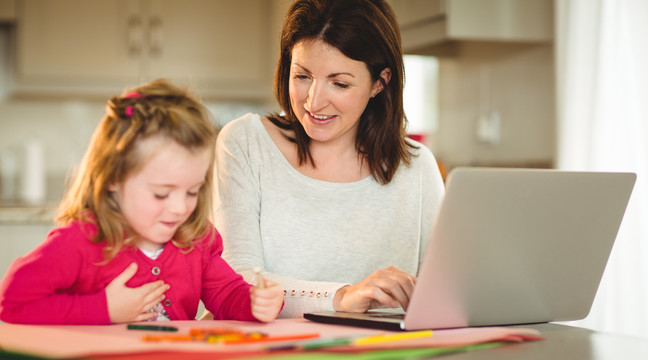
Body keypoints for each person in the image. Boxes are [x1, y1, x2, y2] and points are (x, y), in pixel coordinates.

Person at [210, 0, 445, 319]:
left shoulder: (417, 167)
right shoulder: (245, 143)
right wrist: (342, 297)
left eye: (340, 83)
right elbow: (238, 281)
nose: (314, 101)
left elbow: (445, 291)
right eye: (302, 76)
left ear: (380, 82)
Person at [0, 79, 284, 325]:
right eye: (162, 193)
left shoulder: (195, 239)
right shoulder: (80, 241)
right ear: (113, 176)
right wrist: (105, 309)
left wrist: (255, 302)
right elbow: (12, 304)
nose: (179, 208)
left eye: (192, 191)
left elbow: (226, 296)